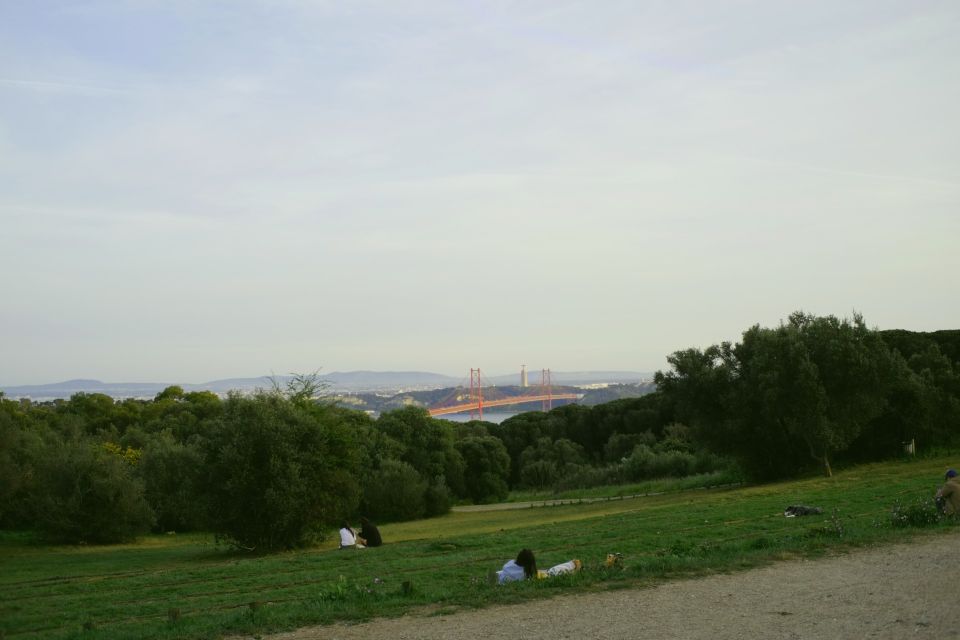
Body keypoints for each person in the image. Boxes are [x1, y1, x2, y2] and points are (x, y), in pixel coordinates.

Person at [497, 549, 581, 584]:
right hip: (531, 576)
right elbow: (550, 574)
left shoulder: (508, 565)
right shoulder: (525, 575)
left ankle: (572, 565)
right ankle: (572, 564)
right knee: (549, 573)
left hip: (503, 577)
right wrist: (571, 565)